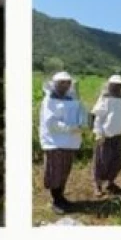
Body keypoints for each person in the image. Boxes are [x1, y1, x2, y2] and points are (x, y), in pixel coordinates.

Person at [38, 71, 86, 213]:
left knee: (65, 170)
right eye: (62, 83)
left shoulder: (71, 99)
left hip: (69, 142)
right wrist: (71, 128)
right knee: (55, 172)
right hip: (54, 142)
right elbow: (51, 123)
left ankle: (61, 197)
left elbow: (80, 114)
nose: (65, 85)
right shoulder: (49, 101)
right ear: (54, 84)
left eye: (67, 83)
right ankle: (56, 201)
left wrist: (83, 122)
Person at [91, 74, 121, 195]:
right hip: (105, 136)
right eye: (115, 85)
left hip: (119, 135)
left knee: (115, 160)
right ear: (110, 86)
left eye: (120, 85)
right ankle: (97, 184)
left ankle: (110, 182)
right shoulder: (105, 98)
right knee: (101, 161)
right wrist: (99, 134)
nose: (117, 88)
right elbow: (98, 117)